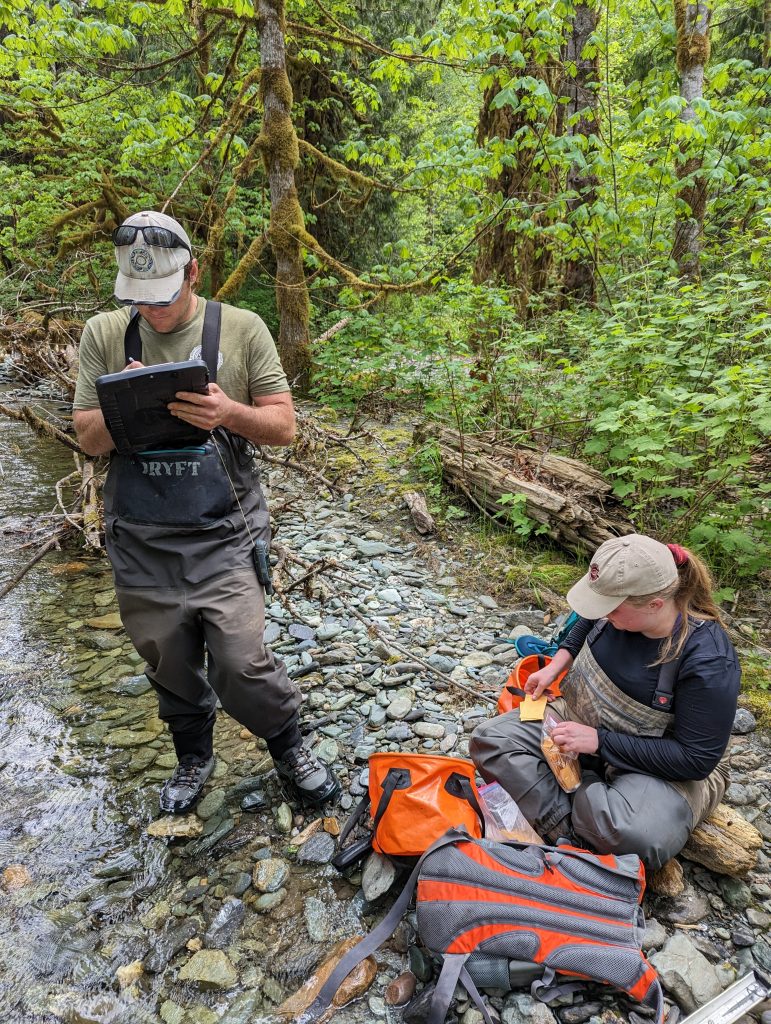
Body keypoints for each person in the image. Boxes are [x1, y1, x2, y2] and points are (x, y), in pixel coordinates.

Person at [73, 210, 340, 813]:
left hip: (226, 532)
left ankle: (288, 746)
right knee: (166, 656)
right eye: (138, 298)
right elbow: (87, 438)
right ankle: (193, 756)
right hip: (141, 536)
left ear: (193, 273)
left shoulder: (241, 329)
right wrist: (129, 405)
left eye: (163, 297)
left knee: (240, 661)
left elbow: (284, 426)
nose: (150, 310)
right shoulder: (104, 333)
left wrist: (228, 413)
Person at [470, 534, 740, 869]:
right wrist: (557, 664)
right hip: (580, 720)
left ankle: (575, 818)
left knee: (633, 834)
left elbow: (695, 760)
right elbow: (586, 618)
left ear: (655, 604)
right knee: (490, 740)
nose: (599, 612)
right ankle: (578, 834)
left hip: (660, 763)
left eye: (609, 608)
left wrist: (599, 742)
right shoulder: (611, 609)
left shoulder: (709, 660)